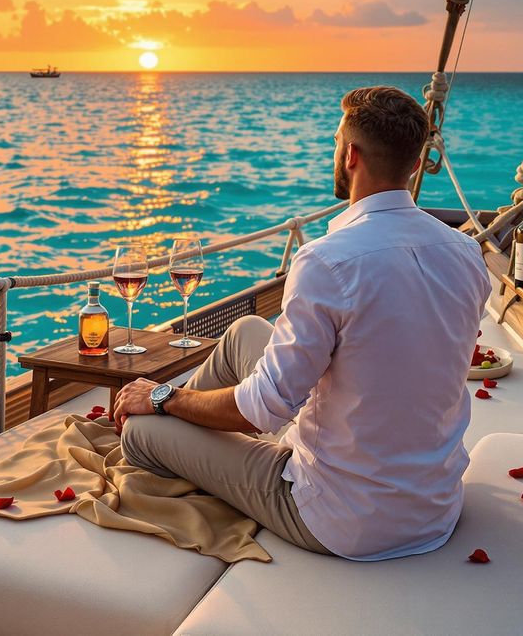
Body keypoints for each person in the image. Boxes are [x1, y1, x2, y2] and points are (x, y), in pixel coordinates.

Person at [115, 86, 491, 560]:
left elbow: (262, 410)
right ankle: (197, 426)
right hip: (434, 507)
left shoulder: (327, 261)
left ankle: (176, 423)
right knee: (244, 333)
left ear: (350, 154)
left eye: (337, 142)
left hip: (340, 518)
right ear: (415, 164)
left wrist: (162, 396)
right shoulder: (464, 252)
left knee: (140, 432)